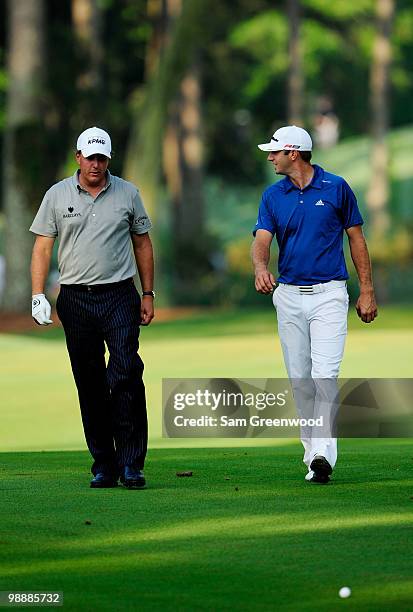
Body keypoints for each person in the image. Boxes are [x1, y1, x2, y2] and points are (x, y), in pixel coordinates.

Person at [30, 126, 155, 490]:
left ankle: (132, 463)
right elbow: (42, 246)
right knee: (90, 381)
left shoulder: (128, 193)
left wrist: (148, 293)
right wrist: (38, 294)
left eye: (102, 158)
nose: (96, 164)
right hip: (75, 298)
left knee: (126, 372)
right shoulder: (57, 195)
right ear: (78, 157)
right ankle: (104, 462)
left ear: (108, 160)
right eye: (90, 157)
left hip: (119, 294)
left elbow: (143, 243)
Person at [252, 125, 377, 484]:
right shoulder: (273, 195)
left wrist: (366, 290)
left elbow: (357, 240)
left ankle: (323, 453)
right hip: (289, 296)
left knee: (325, 374)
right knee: (300, 381)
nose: (270, 156)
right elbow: (262, 239)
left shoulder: (336, 188)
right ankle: (312, 455)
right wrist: (261, 267)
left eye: (275, 151)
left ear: (294, 153)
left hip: (330, 295)